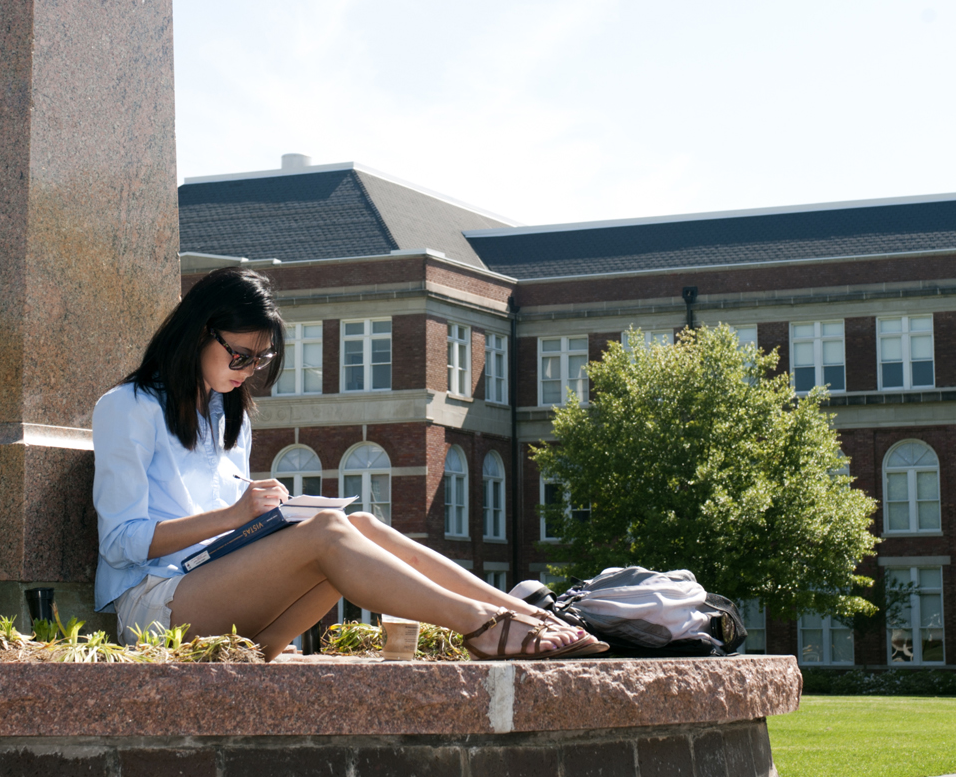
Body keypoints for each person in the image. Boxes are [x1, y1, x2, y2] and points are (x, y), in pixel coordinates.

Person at [92, 267, 604, 661]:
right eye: (240, 356)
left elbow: (232, 543)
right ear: (198, 333)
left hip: (230, 606)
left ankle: (528, 613)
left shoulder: (227, 414)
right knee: (330, 534)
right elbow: (119, 544)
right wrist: (234, 516)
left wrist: (268, 522)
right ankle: (482, 625)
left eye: (260, 360)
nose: (247, 371)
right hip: (156, 608)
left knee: (358, 526)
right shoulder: (128, 407)